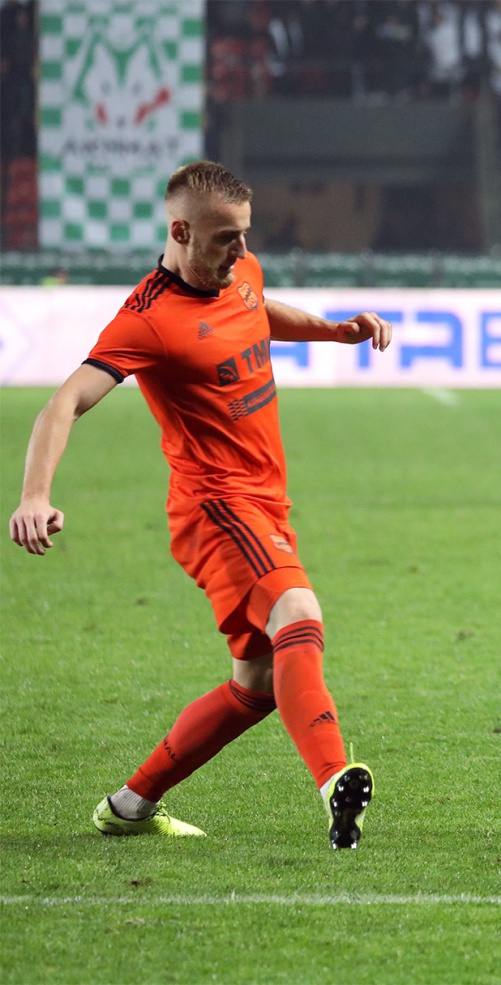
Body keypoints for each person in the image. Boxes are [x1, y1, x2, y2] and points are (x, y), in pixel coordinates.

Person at [8, 161, 391, 850]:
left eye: (245, 235)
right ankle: (336, 777)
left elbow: (256, 309)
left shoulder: (239, 271)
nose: (241, 251)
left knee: (258, 683)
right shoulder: (147, 321)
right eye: (225, 239)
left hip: (267, 502)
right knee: (298, 612)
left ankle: (129, 806)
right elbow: (63, 403)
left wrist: (334, 331)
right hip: (216, 508)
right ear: (181, 231)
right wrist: (35, 495)